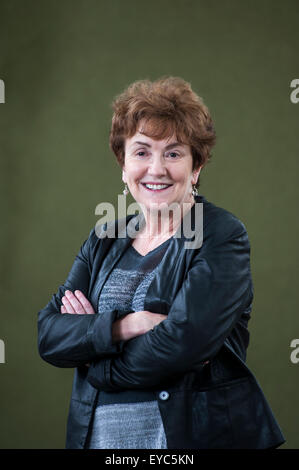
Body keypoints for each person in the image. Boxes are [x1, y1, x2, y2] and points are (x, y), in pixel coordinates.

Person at [38, 76, 285, 449]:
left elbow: (182, 345)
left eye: (173, 153)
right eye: (141, 152)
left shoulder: (220, 234)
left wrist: (95, 361)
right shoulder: (103, 239)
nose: (156, 169)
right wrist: (125, 326)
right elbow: (50, 334)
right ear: (123, 166)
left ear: (196, 167)